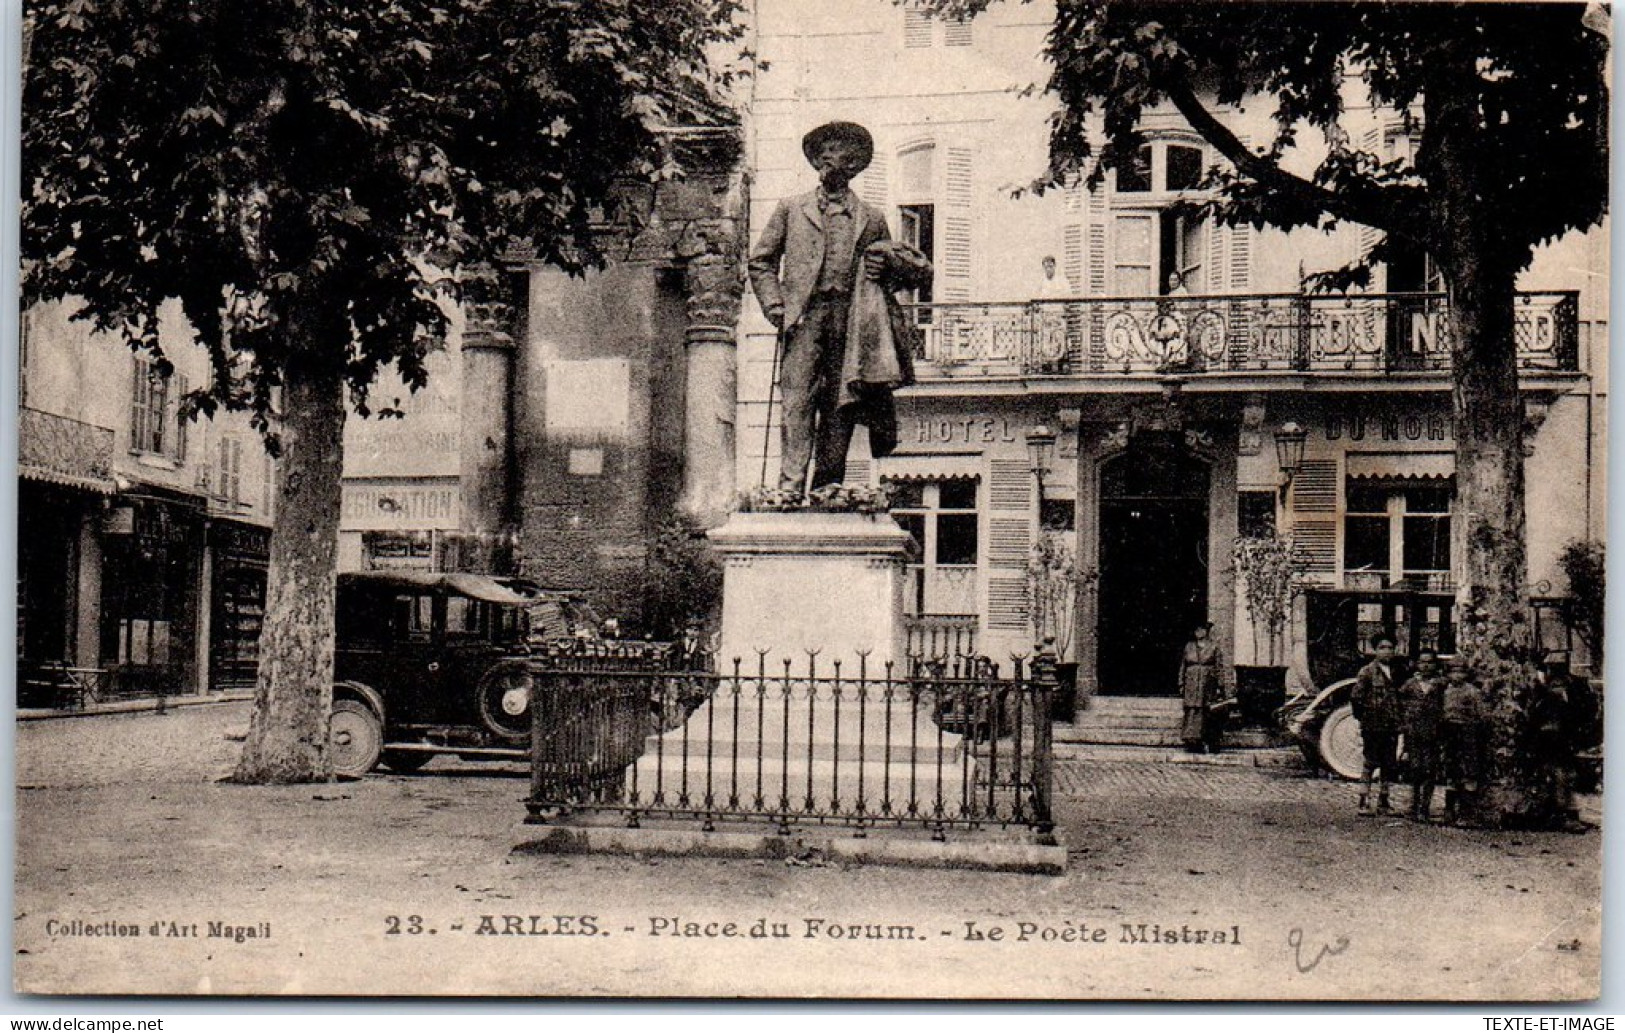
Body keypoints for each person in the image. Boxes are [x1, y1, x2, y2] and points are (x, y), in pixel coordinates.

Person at [747, 121, 934, 491]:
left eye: (845, 155)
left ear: (856, 166)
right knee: (796, 401)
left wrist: (886, 267)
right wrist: (774, 306)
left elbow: (897, 273)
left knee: (841, 403)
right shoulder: (791, 208)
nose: (834, 161)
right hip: (805, 317)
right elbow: (761, 261)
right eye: (827, 153)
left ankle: (827, 487)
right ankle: (789, 487)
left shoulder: (873, 218)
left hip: (852, 322)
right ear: (816, 160)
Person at [1351, 634, 1405, 815]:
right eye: (1382, 647)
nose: (1387, 651)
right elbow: (1356, 698)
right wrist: (1365, 719)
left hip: (1391, 725)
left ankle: (1384, 801)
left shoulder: (1398, 672)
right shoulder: (1367, 672)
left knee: (1389, 763)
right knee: (1370, 762)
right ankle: (1364, 800)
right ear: (1375, 650)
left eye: (1390, 647)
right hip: (1373, 725)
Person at [1438, 655, 1486, 826]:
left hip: (1468, 734)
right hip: (1450, 734)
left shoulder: (1472, 692)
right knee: (1451, 772)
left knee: (1469, 773)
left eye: (1461, 672)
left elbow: (1482, 715)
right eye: (1453, 672)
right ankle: (1449, 811)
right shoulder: (1445, 691)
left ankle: (1467, 814)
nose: (1457, 676)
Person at [1399, 648, 1445, 822]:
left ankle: (1425, 806)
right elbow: (1402, 706)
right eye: (1422, 662)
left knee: (1429, 769)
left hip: (1433, 733)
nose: (1426, 666)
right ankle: (1414, 803)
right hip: (1414, 733)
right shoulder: (1410, 685)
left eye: (1429, 662)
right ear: (1417, 664)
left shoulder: (1440, 684)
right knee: (1415, 768)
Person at [1178, 623, 1226, 753]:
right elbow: (1183, 665)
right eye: (1196, 629)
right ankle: (1191, 741)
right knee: (1191, 710)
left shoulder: (1214, 647)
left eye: (1201, 629)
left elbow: (1219, 668)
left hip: (1207, 684)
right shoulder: (1189, 646)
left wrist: (1221, 685)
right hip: (1191, 683)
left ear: (1206, 631)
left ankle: (1206, 740)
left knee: (1205, 711)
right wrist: (1181, 683)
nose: (1198, 632)